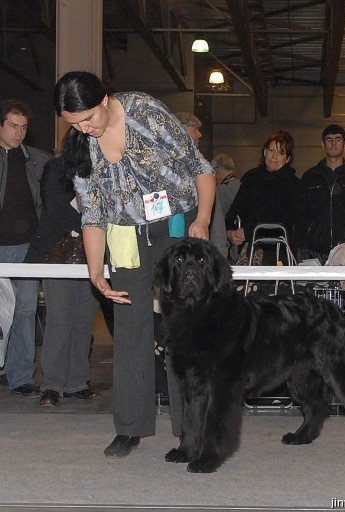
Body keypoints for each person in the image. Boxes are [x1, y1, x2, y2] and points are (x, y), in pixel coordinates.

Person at [53, 71, 215, 458]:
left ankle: (189, 428)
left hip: (177, 227)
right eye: (73, 123)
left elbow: (200, 168)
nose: (84, 129)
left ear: (104, 99)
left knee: (182, 330)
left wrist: (203, 219)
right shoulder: (80, 143)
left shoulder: (145, 111)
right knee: (129, 330)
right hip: (126, 235)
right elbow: (92, 214)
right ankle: (130, 427)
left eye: (88, 118)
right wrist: (96, 272)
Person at [25, 144, 101, 407]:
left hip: (93, 254)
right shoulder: (56, 167)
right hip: (59, 253)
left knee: (83, 321)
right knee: (59, 320)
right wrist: (91, 225)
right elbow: (54, 206)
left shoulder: (104, 167)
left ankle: (77, 382)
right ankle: (52, 385)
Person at [0, 99, 50, 397]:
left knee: (25, 310)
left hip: (27, 248)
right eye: (13, 126)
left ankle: (21, 376)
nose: (19, 132)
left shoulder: (39, 160)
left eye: (24, 127)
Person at [225, 130, 306, 262]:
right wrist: (230, 232)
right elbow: (235, 209)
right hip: (249, 248)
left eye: (281, 153)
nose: (274, 156)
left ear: (287, 159)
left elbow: (282, 218)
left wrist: (248, 231)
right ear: (264, 152)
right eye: (271, 150)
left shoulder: (294, 185)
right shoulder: (250, 178)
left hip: (279, 250)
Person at [301, 124, 345, 263]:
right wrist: (304, 240)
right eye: (329, 139)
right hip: (314, 250)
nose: (333, 144)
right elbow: (301, 213)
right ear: (322, 144)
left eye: (338, 139)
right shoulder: (310, 176)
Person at [175, 111, 228, 256]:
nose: (200, 135)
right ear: (180, 131)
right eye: (195, 130)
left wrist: (220, 248)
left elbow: (215, 215)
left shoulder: (202, 169)